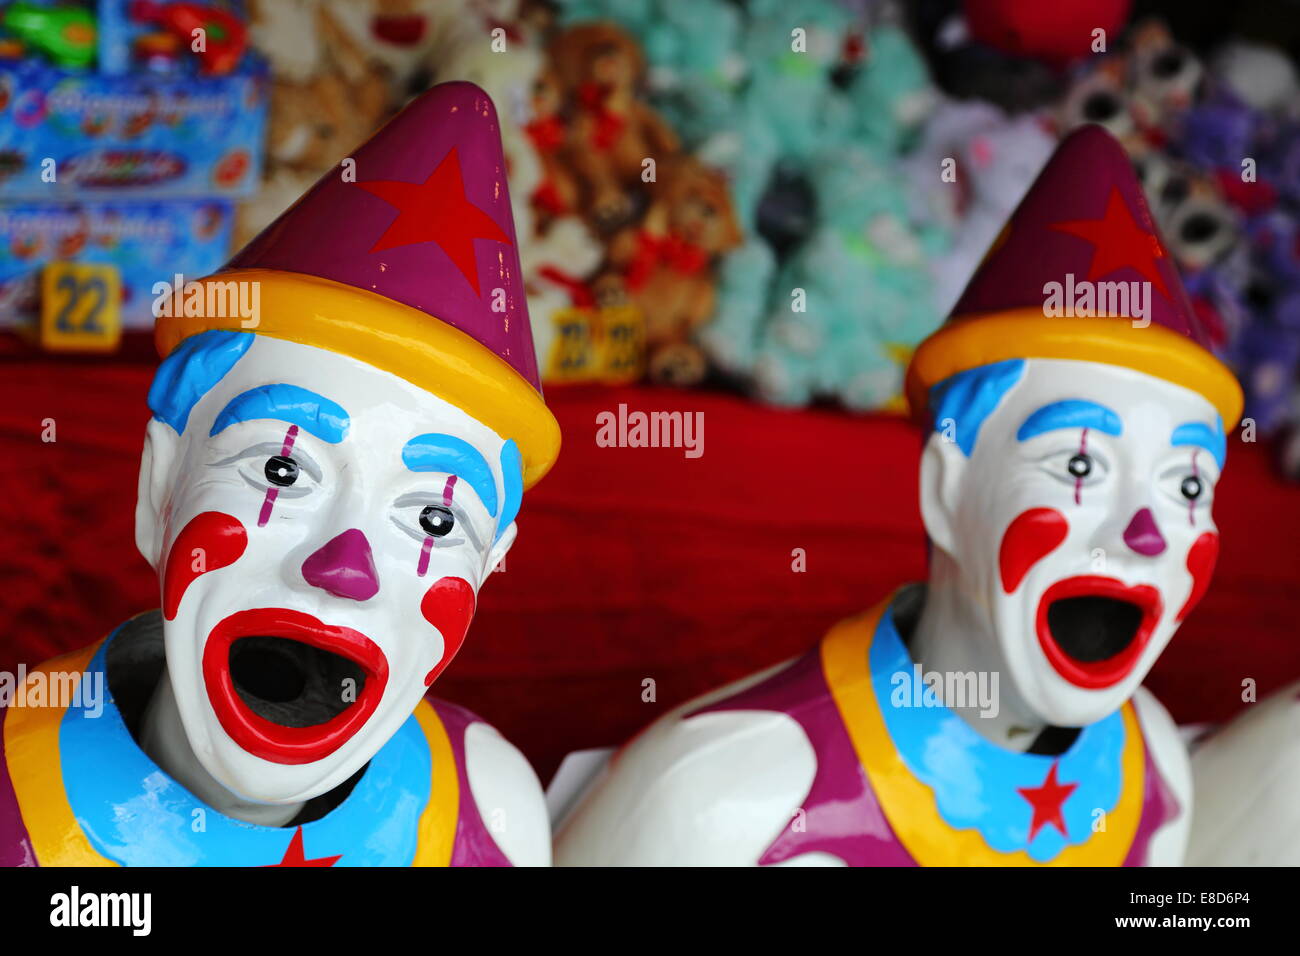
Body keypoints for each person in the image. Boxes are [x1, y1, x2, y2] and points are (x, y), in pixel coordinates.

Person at [555, 125, 1245, 866]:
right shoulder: (722, 810)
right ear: (945, 488)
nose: (1145, 533)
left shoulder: (1152, 782)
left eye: (1188, 485)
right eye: (1079, 468)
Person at [0, 82, 560, 866]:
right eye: (281, 469)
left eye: (435, 521)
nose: (344, 568)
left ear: (492, 568)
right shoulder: (17, 801)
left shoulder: (485, 812)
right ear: (159, 493)